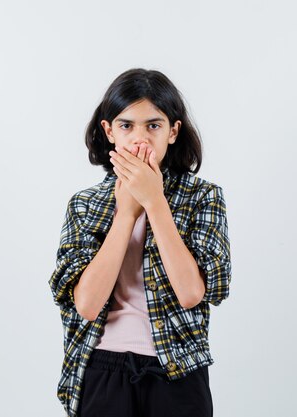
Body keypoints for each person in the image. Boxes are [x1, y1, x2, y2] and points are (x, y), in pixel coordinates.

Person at [48, 68, 232, 417]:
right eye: (126, 125)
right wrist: (126, 213)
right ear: (109, 131)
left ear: (173, 131)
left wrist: (155, 202)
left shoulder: (203, 197)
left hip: (178, 369)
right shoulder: (85, 204)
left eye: (153, 125)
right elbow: (86, 305)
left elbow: (192, 293)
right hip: (101, 367)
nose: (140, 139)